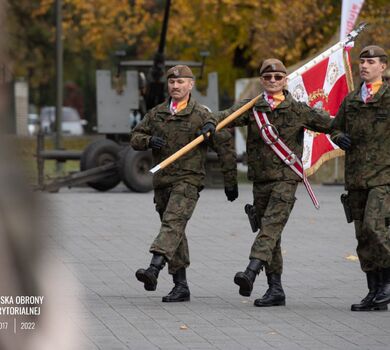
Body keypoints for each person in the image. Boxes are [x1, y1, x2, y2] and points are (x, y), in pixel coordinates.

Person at [201, 58, 334, 307]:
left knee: (270, 228)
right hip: (261, 180)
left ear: (285, 80)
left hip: (286, 178)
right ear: (262, 80)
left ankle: (250, 271)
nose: (273, 81)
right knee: (272, 234)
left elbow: (332, 125)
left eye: (278, 77)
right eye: (268, 77)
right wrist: (211, 121)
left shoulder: (298, 110)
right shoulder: (253, 107)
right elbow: (226, 117)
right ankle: (275, 289)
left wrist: (344, 131)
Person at [130, 65, 238, 302]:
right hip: (162, 181)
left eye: (181, 82)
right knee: (175, 231)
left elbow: (225, 147)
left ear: (191, 85)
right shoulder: (157, 113)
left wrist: (231, 181)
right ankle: (181, 286)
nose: (175, 86)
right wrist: (148, 140)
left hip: (188, 181)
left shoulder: (202, 115)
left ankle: (153, 268)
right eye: (172, 82)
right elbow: (135, 138)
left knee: (172, 224)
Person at [331, 45, 390, 312]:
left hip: (383, 176)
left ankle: (387, 283)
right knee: (362, 238)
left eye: (370, 62)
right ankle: (374, 292)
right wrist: (337, 137)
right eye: (362, 61)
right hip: (356, 178)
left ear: (383, 67)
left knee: (375, 228)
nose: (364, 65)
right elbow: (335, 128)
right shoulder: (352, 99)